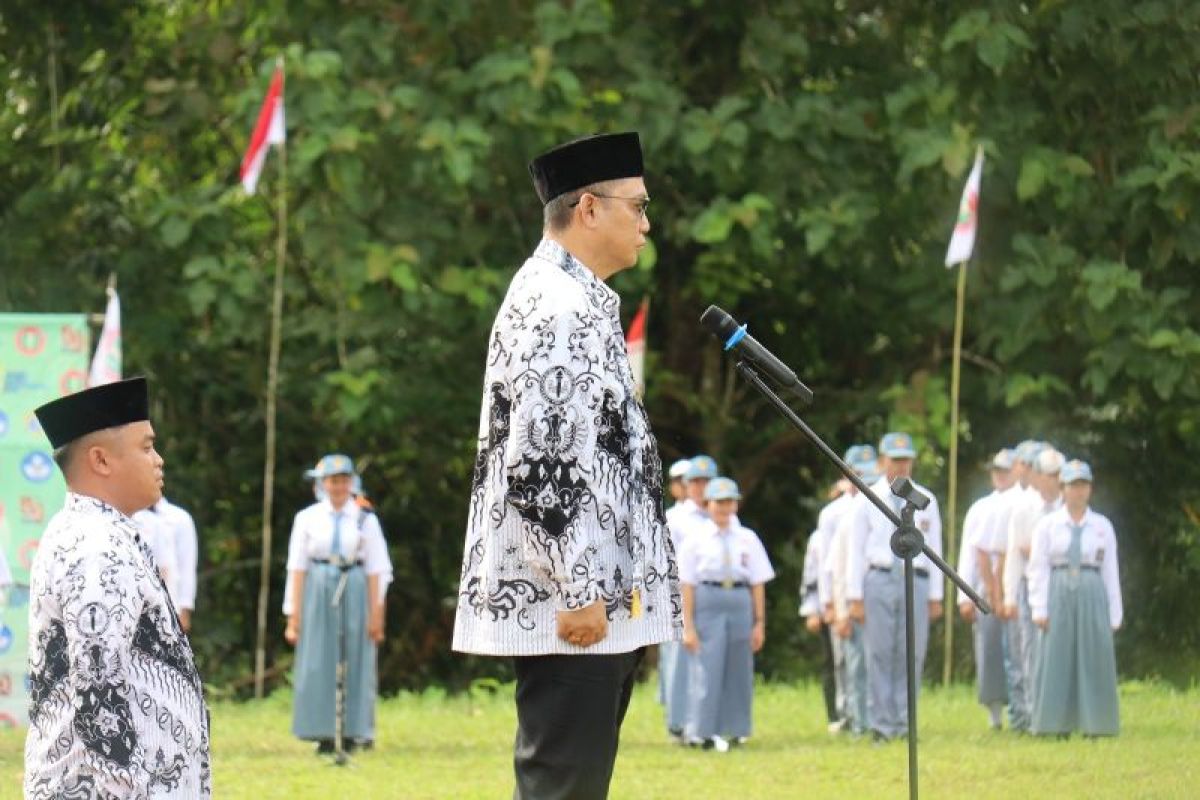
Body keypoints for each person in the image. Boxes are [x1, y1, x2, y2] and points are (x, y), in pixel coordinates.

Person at [451, 131, 678, 800]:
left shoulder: (577, 299)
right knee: (563, 788)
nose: (645, 222)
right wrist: (578, 587)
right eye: (635, 206)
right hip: (570, 604)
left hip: (590, 598)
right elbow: (539, 464)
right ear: (587, 208)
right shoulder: (557, 306)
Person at [25, 377, 211, 797]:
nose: (159, 460)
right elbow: (99, 688)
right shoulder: (95, 547)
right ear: (101, 461)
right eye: (146, 447)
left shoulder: (105, 533)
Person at [284, 453, 391, 753]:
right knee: (318, 659)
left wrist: (376, 613)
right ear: (322, 484)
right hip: (318, 585)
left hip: (354, 584)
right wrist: (293, 614)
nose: (338, 486)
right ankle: (322, 731)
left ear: (352, 483)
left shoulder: (364, 518)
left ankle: (357, 730)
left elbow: (377, 568)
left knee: (356, 656)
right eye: (332, 480)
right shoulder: (307, 518)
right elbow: (297, 566)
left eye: (343, 480)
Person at [846, 432, 944, 742]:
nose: (901, 466)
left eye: (906, 460)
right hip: (880, 577)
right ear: (882, 461)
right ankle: (882, 724)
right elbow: (855, 549)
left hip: (915, 578)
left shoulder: (925, 498)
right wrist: (854, 595)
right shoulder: (866, 497)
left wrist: (937, 594)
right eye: (894, 460)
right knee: (879, 652)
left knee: (911, 654)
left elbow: (936, 548)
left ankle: (906, 722)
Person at [679, 478, 774, 751]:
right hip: (708, 598)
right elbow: (687, 583)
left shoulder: (747, 537)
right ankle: (701, 731)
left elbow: (758, 582)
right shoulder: (695, 539)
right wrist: (688, 626)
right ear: (708, 504)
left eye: (729, 501)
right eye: (719, 502)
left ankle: (736, 730)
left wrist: (759, 623)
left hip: (739, 599)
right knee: (707, 666)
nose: (724, 507)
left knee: (739, 667)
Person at [1028, 460, 1121, 737]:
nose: (1078, 492)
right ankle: (1054, 724)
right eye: (1072, 486)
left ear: (1090, 489)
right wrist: (1039, 607)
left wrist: (1114, 612)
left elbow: (1110, 569)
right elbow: (1038, 567)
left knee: (1095, 654)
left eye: (1083, 485)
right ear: (1063, 489)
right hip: (1059, 588)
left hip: (1091, 589)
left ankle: (1098, 724)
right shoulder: (1049, 525)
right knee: (1056, 654)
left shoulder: (1102, 526)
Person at [1003, 446, 1064, 732]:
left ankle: (1061, 711)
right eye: (1047, 474)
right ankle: (1033, 712)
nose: (1052, 481)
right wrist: (1009, 595)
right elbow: (1015, 553)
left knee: (1062, 649)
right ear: (1036, 476)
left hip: (1064, 587)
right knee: (1029, 651)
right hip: (1031, 586)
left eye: (1057, 475)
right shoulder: (1023, 508)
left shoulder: (1070, 506)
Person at [660, 454, 718, 740]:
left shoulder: (721, 513)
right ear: (687, 485)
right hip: (679, 592)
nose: (702, 487)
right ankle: (678, 722)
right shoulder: (675, 518)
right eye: (696, 482)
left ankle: (704, 721)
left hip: (710, 594)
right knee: (679, 660)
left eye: (707, 481)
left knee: (708, 660)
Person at [957, 449, 1015, 729]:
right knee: (989, 649)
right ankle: (995, 714)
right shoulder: (981, 507)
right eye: (996, 470)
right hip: (984, 582)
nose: (999, 475)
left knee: (1018, 648)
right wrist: (964, 595)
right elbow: (969, 552)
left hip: (1015, 581)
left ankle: (1021, 708)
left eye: (1004, 470)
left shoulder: (1024, 502)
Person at [825, 446, 879, 737]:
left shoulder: (884, 516)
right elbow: (836, 570)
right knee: (854, 666)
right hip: (853, 603)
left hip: (878, 602)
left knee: (875, 664)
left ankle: (876, 719)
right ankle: (858, 722)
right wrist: (840, 610)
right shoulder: (843, 518)